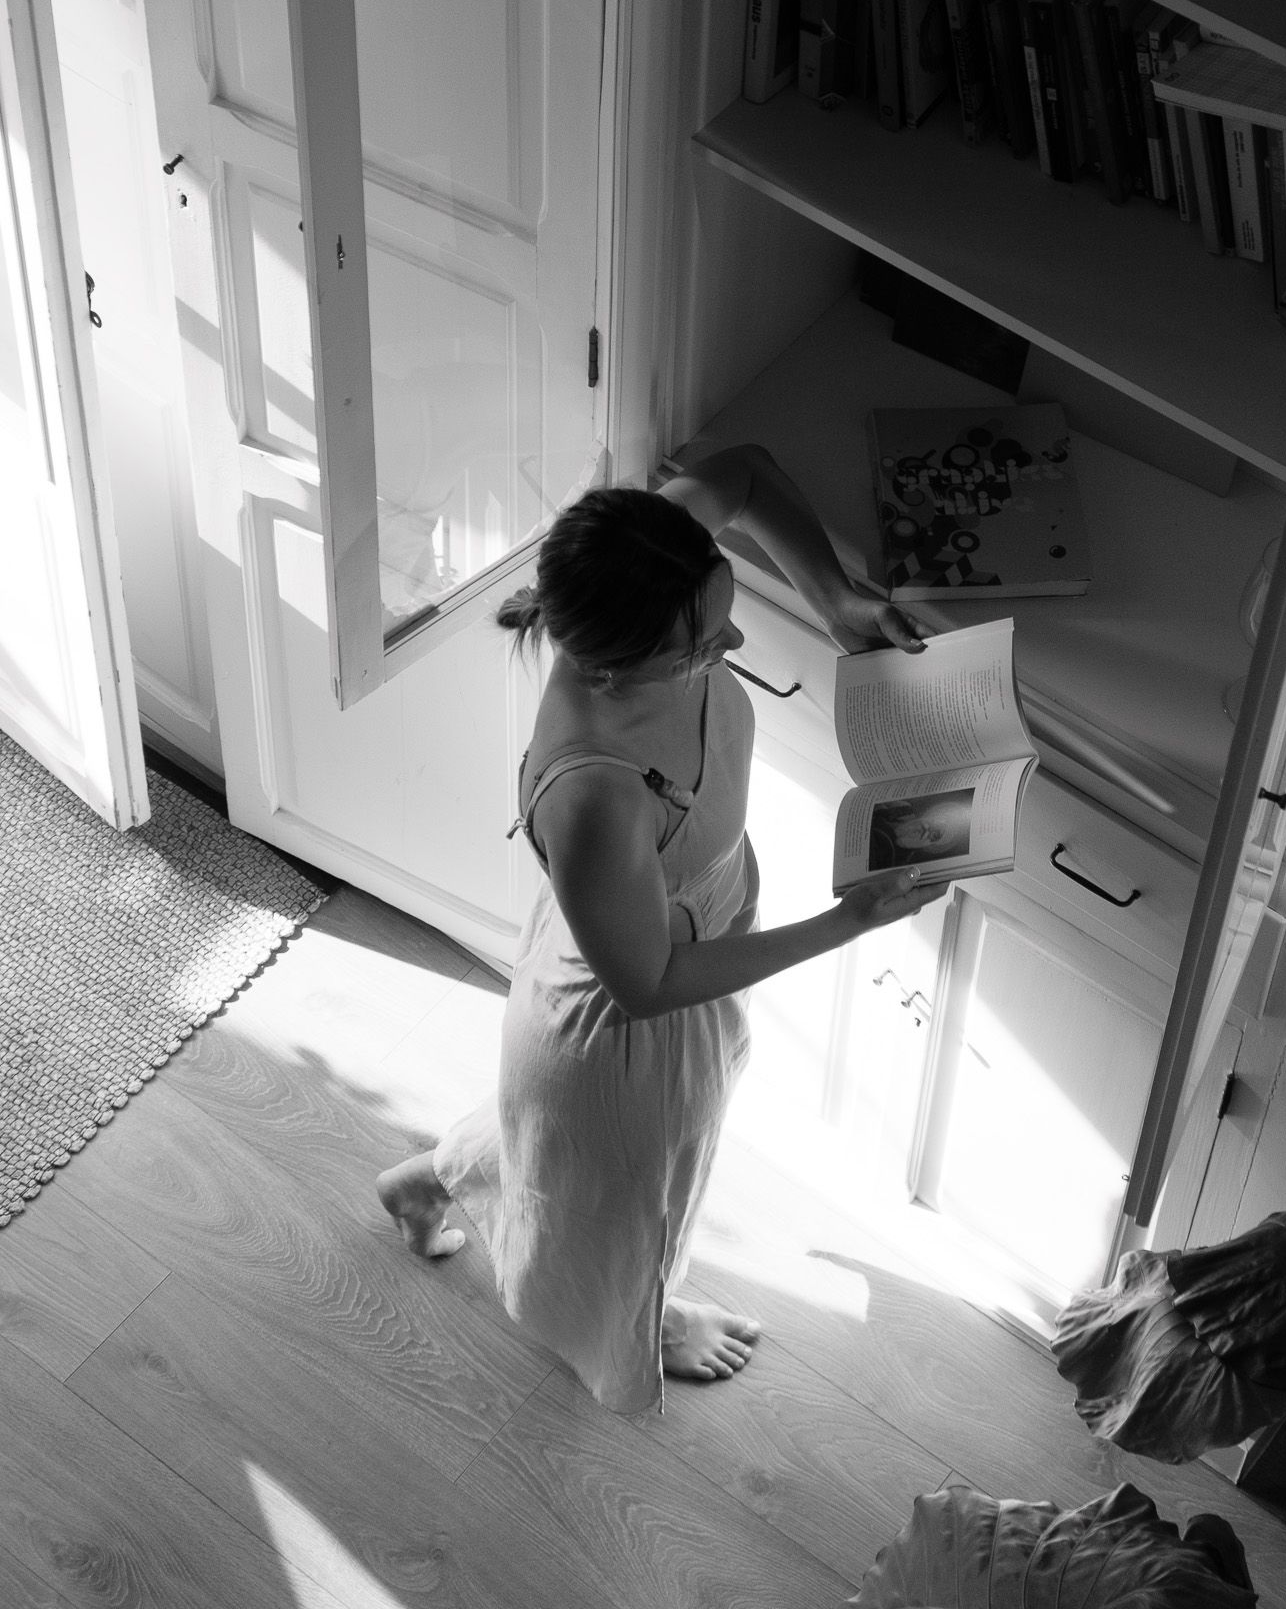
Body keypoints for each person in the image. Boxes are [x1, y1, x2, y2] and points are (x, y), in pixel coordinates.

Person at [376, 445, 943, 1413]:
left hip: (672, 924)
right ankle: (649, 1313)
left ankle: (423, 1180)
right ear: (607, 660)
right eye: (699, 646)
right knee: (635, 1194)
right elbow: (648, 982)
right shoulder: (596, 792)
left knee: (578, 1150)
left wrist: (839, 598)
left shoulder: (638, 562)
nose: (729, 650)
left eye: (726, 617)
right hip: (626, 1019)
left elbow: (752, 471)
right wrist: (847, 922)